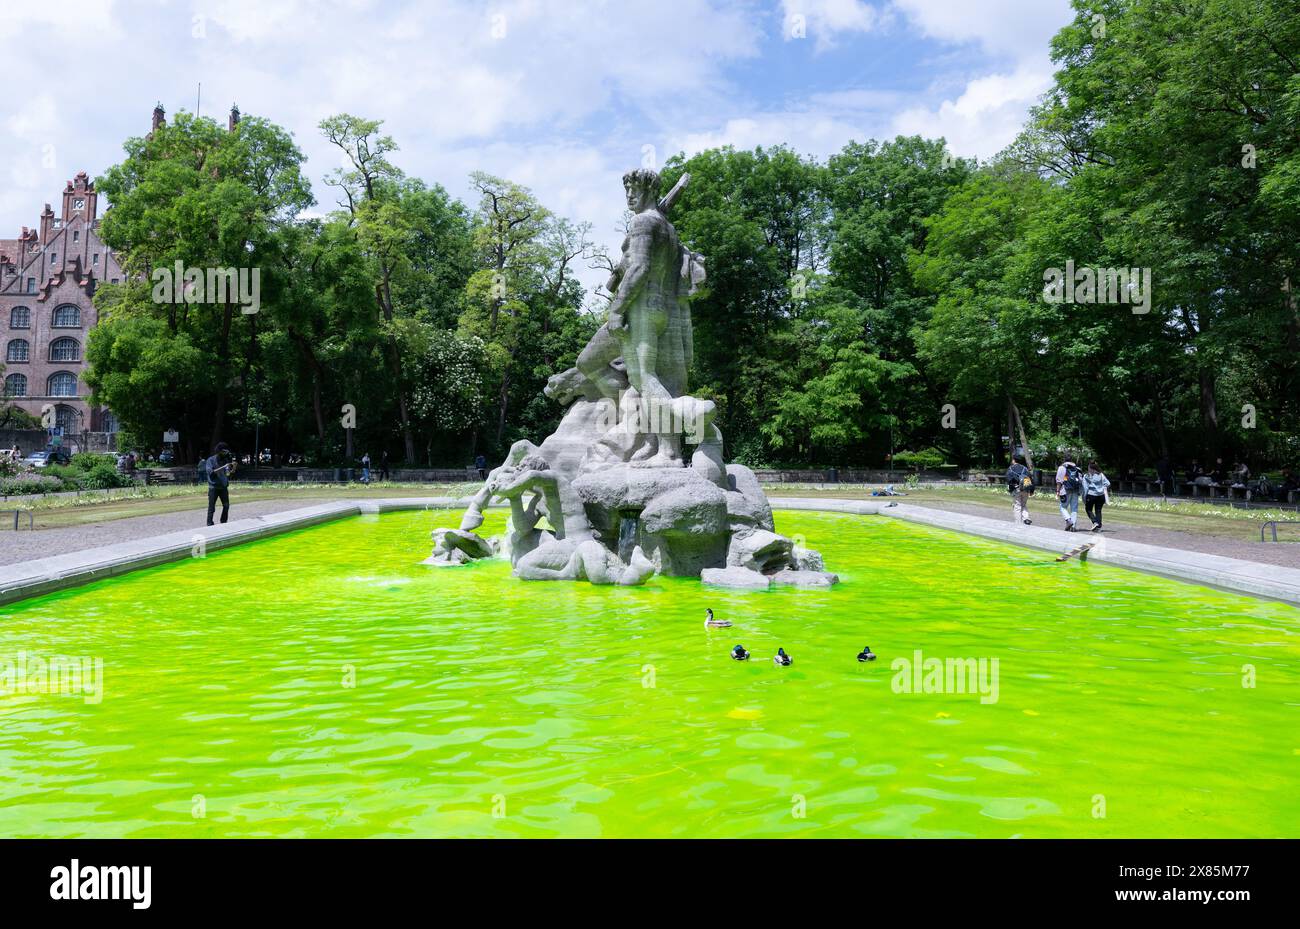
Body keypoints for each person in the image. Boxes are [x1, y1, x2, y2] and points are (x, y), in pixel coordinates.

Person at [204, 442, 235, 526]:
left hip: (223, 487)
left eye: (227, 451)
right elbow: (211, 473)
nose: (226, 453)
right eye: (224, 451)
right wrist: (223, 467)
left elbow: (228, 473)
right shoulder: (210, 460)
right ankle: (209, 523)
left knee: (226, 506)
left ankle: (223, 522)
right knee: (212, 508)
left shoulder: (225, 460)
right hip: (213, 487)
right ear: (219, 451)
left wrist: (233, 468)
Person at [1055, 458, 1083, 531]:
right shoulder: (1077, 468)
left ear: (1064, 460)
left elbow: (1059, 481)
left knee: (1063, 507)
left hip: (1065, 490)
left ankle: (1068, 520)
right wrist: (1080, 491)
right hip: (1075, 490)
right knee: (1074, 508)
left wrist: (1058, 491)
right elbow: (1081, 481)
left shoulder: (1062, 468)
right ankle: (1073, 527)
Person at [1082, 460, 1111, 532]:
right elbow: (1108, 483)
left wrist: (1084, 497)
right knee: (1098, 510)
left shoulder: (1087, 476)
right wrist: (1102, 488)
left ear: (1090, 468)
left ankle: (1095, 522)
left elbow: (1085, 488)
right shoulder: (1101, 475)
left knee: (1088, 509)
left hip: (1091, 495)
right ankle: (1099, 525)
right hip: (1101, 495)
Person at [1006, 454, 1033, 526]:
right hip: (1026, 489)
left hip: (1016, 489)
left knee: (1017, 506)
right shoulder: (1025, 468)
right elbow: (1030, 479)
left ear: (1014, 460)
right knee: (1023, 505)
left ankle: (1018, 523)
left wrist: (1011, 488)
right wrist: (1031, 490)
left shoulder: (1011, 468)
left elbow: (1008, 480)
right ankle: (1026, 518)